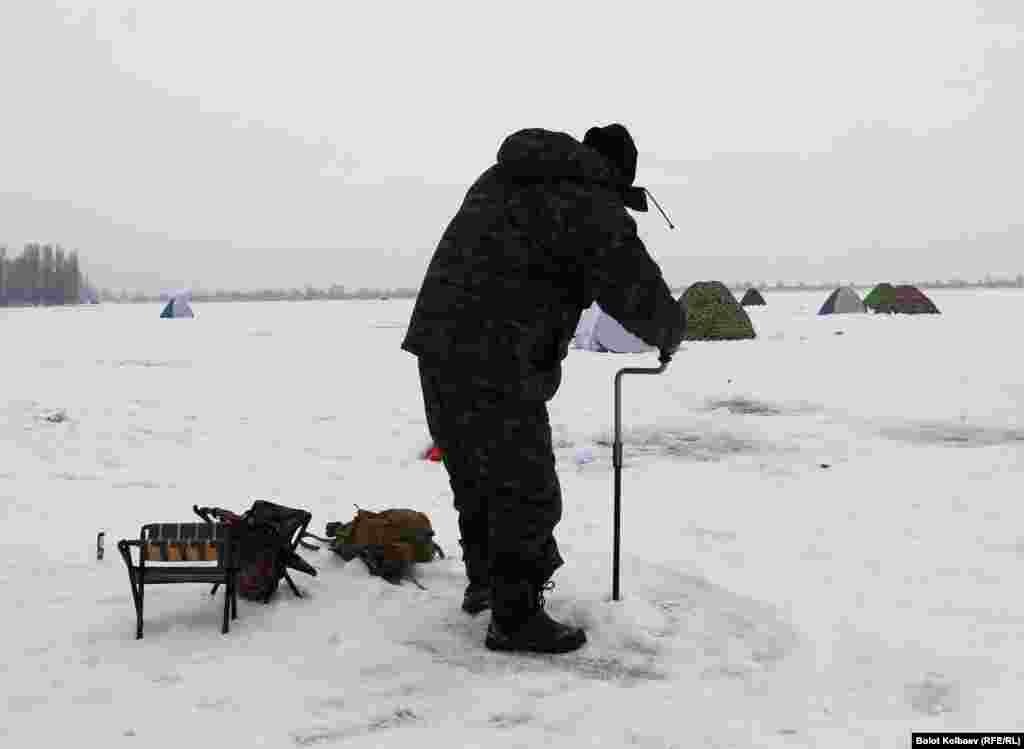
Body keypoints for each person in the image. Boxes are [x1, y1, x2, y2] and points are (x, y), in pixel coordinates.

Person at [402, 124, 686, 654]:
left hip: (437, 345)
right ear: (617, 173)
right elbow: (632, 285)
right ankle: (515, 617)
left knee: (475, 474)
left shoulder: (503, 177)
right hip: (500, 354)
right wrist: (670, 330)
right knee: (524, 489)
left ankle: (487, 585)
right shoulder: (587, 200)